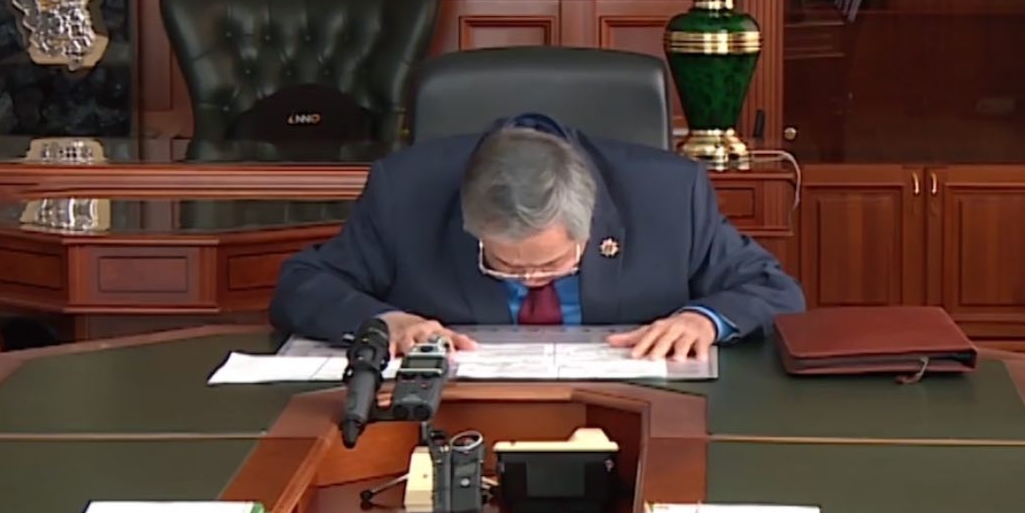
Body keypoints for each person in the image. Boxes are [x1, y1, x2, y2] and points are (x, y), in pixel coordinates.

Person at [270, 114, 805, 361]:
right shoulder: (406, 194)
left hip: (636, 408)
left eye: (552, 265)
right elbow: (301, 284)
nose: (530, 281)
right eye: (505, 265)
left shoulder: (666, 195)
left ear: (590, 223)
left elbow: (774, 290)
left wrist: (702, 319)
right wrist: (386, 320)